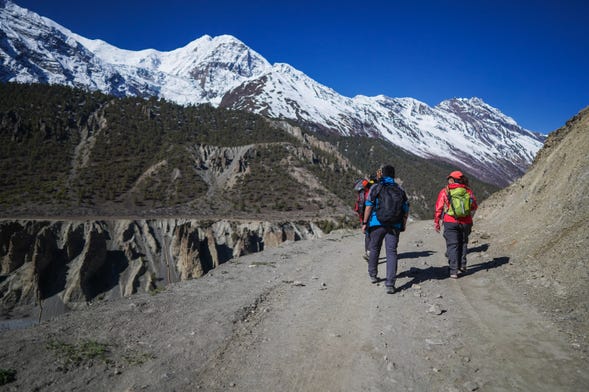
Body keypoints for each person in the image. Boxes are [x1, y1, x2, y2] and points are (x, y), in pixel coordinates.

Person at [362, 165, 409, 294]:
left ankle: (373, 275)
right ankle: (390, 284)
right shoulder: (399, 189)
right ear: (393, 175)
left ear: (382, 174)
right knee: (391, 252)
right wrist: (403, 224)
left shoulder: (376, 187)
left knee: (374, 248)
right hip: (394, 225)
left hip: (377, 223)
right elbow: (405, 209)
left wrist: (365, 222)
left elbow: (368, 206)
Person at [434, 170, 478, 278]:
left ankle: (453, 271)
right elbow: (474, 206)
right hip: (466, 221)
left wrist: (437, 222)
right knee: (463, 243)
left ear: (453, 180)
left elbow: (439, 208)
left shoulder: (446, 191)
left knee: (452, 245)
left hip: (450, 221)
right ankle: (462, 265)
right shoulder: (468, 191)